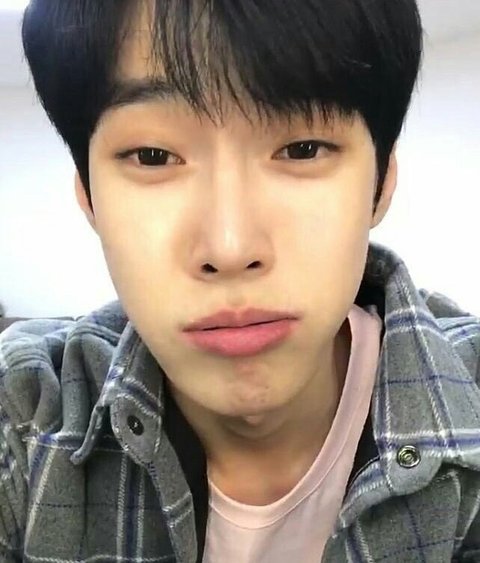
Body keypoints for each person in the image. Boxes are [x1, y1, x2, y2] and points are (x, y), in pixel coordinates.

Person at [1, 0, 479, 561]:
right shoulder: (25, 419)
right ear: (89, 198)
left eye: (302, 149)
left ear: (381, 183)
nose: (230, 248)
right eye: (153, 156)